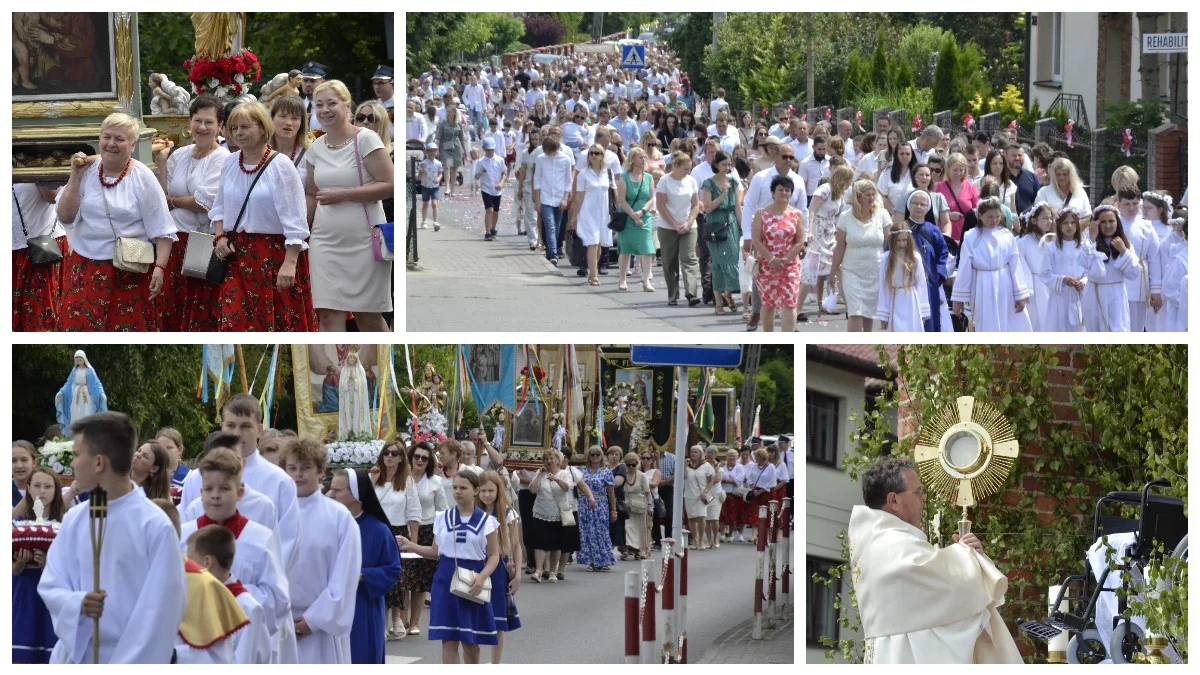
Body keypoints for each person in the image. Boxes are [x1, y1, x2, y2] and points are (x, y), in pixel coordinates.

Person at [37, 412, 187, 663]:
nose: (72, 464)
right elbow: (52, 584)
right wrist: (78, 604)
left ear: (98, 463)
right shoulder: (76, 519)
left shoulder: (154, 525)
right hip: (77, 656)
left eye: (77, 455)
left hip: (132, 658)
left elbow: (163, 611)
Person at [847, 457, 1022, 663]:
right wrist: (968, 556)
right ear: (893, 500)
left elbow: (930, 605)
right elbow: (953, 584)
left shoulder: (874, 540)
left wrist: (967, 555)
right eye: (918, 492)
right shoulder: (890, 544)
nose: (923, 499)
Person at [56, 113, 174, 331]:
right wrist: (74, 176)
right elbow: (65, 216)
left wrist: (159, 268)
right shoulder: (87, 171)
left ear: (132, 145)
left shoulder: (142, 176)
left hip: (128, 270)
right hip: (86, 269)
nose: (111, 144)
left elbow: (163, 229)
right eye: (106, 137)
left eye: (119, 139)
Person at [179, 445, 292, 664]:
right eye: (208, 489)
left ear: (239, 492)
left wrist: (230, 595)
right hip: (193, 646)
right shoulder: (184, 537)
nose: (215, 496)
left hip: (245, 641)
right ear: (200, 492)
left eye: (224, 489)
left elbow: (278, 599)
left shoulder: (261, 539)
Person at [211, 103, 314, 332]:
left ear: (262, 128)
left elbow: (296, 219)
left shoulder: (281, 165)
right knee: (233, 323)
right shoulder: (229, 161)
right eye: (234, 127)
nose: (238, 132)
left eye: (245, 127)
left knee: (276, 325)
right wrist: (219, 237)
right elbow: (219, 207)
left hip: (274, 255)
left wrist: (290, 262)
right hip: (236, 254)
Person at [304, 80, 393, 332]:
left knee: (368, 318)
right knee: (329, 316)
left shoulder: (366, 139)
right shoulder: (316, 147)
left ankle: (380, 366)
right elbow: (312, 194)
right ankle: (334, 369)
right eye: (319, 105)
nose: (325, 110)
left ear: (346, 105)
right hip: (325, 242)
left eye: (331, 103)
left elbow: (390, 184)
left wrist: (345, 194)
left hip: (364, 241)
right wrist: (302, 232)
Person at [397, 471, 501, 664]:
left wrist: (482, 577)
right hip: (445, 579)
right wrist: (411, 546)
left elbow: (494, 555)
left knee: (471, 642)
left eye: (463, 488)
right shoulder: (442, 517)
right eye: (455, 487)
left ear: (475, 490)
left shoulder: (487, 522)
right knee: (449, 640)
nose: (458, 492)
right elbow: (436, 551)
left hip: (473, 579)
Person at [281, 438, 362, 663]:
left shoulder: (339, 517)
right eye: (292, 468)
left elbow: (345, 576)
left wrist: (313, 621)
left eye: (306, 467)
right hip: (279, 623)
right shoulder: (274, 513)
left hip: (320, 628)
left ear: (320, 471)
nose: (298, 474)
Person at [327, 469, 402, 664]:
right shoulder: (327, 523)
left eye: (337, 490)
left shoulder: (378, 529)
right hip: (326, 605)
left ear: (355, 494)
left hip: (362, 605)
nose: (331, 495)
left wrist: (361, 576)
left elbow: (393, 569)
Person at [186, 526, 273, 663]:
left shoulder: (247, 608)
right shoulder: (196, 599)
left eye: (190, 560)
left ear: (207, 562)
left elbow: (245, 661)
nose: (186, 567)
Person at [951, 198, 1033, 332]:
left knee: (1007, 320)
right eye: (989, 217)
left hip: (1004, 283)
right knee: (984, 320)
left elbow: (1015, 265)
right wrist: (958, 300)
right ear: (980, 216)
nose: (994, 220)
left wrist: (1020, 295)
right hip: (981, 284)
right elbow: (964, 268)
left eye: (997, 216)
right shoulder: (971, 236)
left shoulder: (1006, 235)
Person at [371, 440, 420, 640]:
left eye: (394, 454)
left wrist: (414, 544)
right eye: (386, 453)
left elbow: (414, 512)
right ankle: (381, 620)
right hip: (376, 530)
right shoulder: (373, 477)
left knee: (398, 577)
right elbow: (364, 504)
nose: (389, 457)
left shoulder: (407, 481)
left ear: (401, 459)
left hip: (398, 532)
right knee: (378, 575)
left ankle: (397, 618)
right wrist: (372, 481)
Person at [13, 466, 63, 663]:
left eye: (48, 486)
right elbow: (11, 569)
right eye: (37, 486)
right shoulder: (16, 524)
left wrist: (46, 565)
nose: (42, 491)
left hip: (52, 596)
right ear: (29, 488)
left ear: (56, 490)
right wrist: (19, 563)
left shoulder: (65, 523)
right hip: (23, 591)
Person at [399, 442, 447, 637]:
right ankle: (401, 618)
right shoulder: (400, 478)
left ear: (429, 462)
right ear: (410, 457)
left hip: (427, 531)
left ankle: (415, 622)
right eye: (417, 456)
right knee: (402, 578)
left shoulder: (435, 481)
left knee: (419, 581)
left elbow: (442, 510)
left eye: (424, 458)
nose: (419, 460)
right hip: (403, 530)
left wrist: (438, 535)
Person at [832, 180, 890, 332]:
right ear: (858, 197)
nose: (871, 198)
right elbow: (839, 247)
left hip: (875, 271)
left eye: (873, 194)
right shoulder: (845, 217)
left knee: (868, 314)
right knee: (855, 312)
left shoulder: (882, 215)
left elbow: (888, 246)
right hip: (852, 272)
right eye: (867, 195)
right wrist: (832, 273)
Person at [476, 470, 522, 663]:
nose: (487, 495)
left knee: (498, 621)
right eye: (483, 490)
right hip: (476, 565)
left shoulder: (507, 513)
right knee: (474, 618)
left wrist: (517, 574)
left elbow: (515, 545)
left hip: (499, 568)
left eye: (491, 491)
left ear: (498, 491)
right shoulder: (473, 512)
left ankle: (495, 664)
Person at [798, 165, 853, 322]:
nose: (850, 184)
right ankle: (798, 308)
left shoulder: (840, 195)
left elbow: (837, 217)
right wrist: (809, 231)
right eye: (848, 180)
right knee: (811, 270)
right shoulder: (825, 189)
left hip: (830, 232)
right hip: (817, 231)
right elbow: (812, 210)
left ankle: (849, 308)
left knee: (838, 268)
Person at [751, 175, 805, 332]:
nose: (784, 193)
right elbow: (756, 239)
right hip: (767, 266)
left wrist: (785, 260)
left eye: (788, 190)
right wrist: (771, 259)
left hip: (790, 266)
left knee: (789, 303)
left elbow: (799, 241)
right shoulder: (761, 214)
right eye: (780, 189)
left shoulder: (797, 215)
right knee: (768, 304)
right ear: (773, 192)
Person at [12, 182, 67, 331]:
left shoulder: (32, 158)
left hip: (39, 248)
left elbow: (52, 196)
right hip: (15, 249)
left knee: (39, 318)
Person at [1079, 205, 1141, 331]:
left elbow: (1134, 273)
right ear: (1096, 224)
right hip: (1095, 293)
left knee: (1117, 328)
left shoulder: (1124, 244)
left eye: (1111, 221)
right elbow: (1084, 262)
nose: (1107, 225)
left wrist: (1123, 251)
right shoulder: (1089, 243)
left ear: (1117, 222)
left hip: (1116, 295)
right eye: (1103, 222)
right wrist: (1092, 238)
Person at [700, 151, 745, 315]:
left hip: (731, 224)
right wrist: (723, 195)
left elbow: (737, 207)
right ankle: (718, 302)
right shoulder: (708, 183)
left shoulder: (733, 182)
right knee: (718, 263)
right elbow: (707, 207)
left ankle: (729, 292)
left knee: (734, 260)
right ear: (716, 165)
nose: (727, 167)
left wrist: (743, 229)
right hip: (716, 225)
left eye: (729, 164)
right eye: (724, 164)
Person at [654, 151, 702, 306]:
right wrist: (674, 225)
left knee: (689, 259)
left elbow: (695, 205)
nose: (687, 172)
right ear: (675, 166)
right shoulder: (664, 181)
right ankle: (673, 295)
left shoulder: (691, 181)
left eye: (689, 169)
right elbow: (661, 206)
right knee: (670, 261)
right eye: (685, 169)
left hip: (688, 225)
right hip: (668, 226)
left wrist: (688, 224)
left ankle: (691, 293)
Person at [1114, 189, 1163, 332]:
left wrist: (1155, 290)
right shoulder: (1113, 223)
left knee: (1136, 325)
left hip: (1138, 285)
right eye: (1127, 204)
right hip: (1116, 281)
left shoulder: (1146, 226)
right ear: (1118, 204)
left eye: (1135, 203)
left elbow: (1154, 260)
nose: (1131, 208)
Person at [569, 143, 614, 285]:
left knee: (599, 243)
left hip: (603, 213)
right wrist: (574, 216)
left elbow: (613, 192)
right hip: (588, 212)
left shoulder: (608, 172)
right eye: (591, 153)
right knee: (592, 243)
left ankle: (591, 270)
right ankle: (594, 275)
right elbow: (578, 197)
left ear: (602, 156)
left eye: (596, 153)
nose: (593, 156)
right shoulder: (583, 173)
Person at [615, 147, 657, 292]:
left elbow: (651, 197)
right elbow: (621, 199)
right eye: (640, 157)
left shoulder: (649, 177)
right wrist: (633, 215)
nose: (644, 160)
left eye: (645, 157)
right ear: (632, 160)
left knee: (646, 248)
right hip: (627, 217)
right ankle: (622, 279)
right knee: (625, 248)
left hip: (644, 217)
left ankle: (646, 281)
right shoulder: (624, 177)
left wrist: (643, 211)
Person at [1039, 208, 1088, 332]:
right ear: (1059, 225)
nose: (1069, 226)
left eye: (1072, 222)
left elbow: (1089, 271)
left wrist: (1083, 281)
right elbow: (1045, 274)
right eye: (1065, 223)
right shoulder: (1051, 248)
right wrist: (1063, 279)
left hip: (1079, 294)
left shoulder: (1084, 247)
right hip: (1059, 296)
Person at [877, 227, 931, 331]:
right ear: (893, 241)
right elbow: (884, 286)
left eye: (904, 240)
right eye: (898, 241)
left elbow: (921, 285)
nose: (902, 244)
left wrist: (923, 311)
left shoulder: (915, 257)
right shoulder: (885, 258)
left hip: (911, 301)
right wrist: (883, 315)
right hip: (895, 299)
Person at [533, 132, 574, 266]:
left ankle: (551, 252)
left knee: (556, 228)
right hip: (545, 198)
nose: (550, 154)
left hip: (559, 197)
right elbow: (537, 179)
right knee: (550, 226)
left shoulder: (565, 159)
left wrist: (565, 198)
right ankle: (554, 254)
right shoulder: (540, 158)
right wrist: (537, 200)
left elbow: (569, 181)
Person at [527, 451, 566, 583]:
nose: (549, 461)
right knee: (540, 542)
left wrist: (557, 479)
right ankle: (538, 570)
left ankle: (552, 572)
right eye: (546, 459)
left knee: (555, 544)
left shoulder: (564, 473)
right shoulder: (540, 473)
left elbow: (567, 488)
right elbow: (532, 490)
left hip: (558, 513)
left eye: (552, 458)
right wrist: (539, 475)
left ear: (558, 461)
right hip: (540, 512)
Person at [576, 446, 616, 571]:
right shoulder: (582, 470)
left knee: (601, 531)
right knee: (587, 532)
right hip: (584, 504)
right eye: (592, 455)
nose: (595, 457)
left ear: (601, 456)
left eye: (597, 455)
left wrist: (613, 510)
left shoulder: (606, 471)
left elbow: (611, 493)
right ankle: (592, 560)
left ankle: (603, 559)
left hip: (600, 505)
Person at [1017, 202, 1055, 331]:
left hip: (1051, 285)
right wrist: (1026, 290)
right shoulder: (1023, 243)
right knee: (1035, 321)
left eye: (1050, 218)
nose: (1049, 221)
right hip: (1033, 287)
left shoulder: (1053, 240)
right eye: (1044, 218)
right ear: (1034, 220)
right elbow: (1021, 267)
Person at [935, 153, 980, 241]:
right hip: (944, 235)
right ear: (948, 169)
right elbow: (932, 213)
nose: (958, 173)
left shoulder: (972, 188)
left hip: (966, 235)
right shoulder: (938, 187)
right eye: (955, 170)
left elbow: (978, 211)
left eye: (961, 170)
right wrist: (948, 216)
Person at [681, 445, 716, 551]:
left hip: (701, 496)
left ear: (701, 454)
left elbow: (711, 481)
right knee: (691, 518)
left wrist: (705, 491)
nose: (693, 454)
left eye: (696, 452)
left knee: (701, 517)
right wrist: (684, 466)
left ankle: (701, 540)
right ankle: (695, 540)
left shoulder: (706, 465)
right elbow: (681, 477)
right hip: (689, 495)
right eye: (692, 452)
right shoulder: (687, 465)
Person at [269, 95, 312, 171]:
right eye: (283, 116)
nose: (289, 123)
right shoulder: (259, 151)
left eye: (295, 118)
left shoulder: (310, 154)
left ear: (301, 123)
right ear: (272, 118)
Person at [436, 106, 470, 199]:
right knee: (447, 166)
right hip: (446, 147)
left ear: (454, 113)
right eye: (447, 112)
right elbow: (438, 137)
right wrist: (437, 149)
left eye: (450, 112)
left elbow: (461, 138)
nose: (448, 113)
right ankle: (447, 188)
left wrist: (465, 150)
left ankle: (452, 189)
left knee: (454, 168)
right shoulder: (443, 123)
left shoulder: (458, 123)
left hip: (456, 147)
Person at [622, 452, 651, 559]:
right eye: (628, 464)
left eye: (633, 464)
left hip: (639, 505)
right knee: (627, 527)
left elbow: (648, 492)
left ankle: (641, 550)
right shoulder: (623, 474)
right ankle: (629, 548)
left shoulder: (642, 476)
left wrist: (650, 505)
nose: (631, 467)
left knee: (641, 529)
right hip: (626, 505)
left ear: (637, 464)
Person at [741, 449, 776, 538]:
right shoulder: (754, 466)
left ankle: (767, 535)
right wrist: (753, 489)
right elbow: (749, 477)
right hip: (755, 492)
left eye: (756, 456)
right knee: (754, 513)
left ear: (761, 457)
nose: (754, 458)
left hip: (766, 493)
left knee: (767, 515)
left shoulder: (771, 467)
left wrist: (761, 491)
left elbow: (772, 481)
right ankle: (754, 535)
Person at [718, 449, 744, 542]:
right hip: (723, 493)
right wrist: (729, 481)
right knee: (722, 515)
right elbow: (717, 478)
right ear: (726, 457)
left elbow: (739, 481)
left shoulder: (740, 467)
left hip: (734, 494)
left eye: (734, 456)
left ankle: (730, 534)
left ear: (737, 457)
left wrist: (725, 480)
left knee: (733, 515)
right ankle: (722, 534)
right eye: (730, 455)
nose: (731, 457)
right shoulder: (722, 465)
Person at [418, 143, 444, 231]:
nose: (432, 153)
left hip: (434, 186)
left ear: (437, 152)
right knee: (425, 204)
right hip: (425, 186)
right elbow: (419, 176)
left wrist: (438, 179)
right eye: (430, 151)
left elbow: (440, 173)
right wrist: (422, 172)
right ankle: (424, 221)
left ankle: (435, 221)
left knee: (434, 203)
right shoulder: (423, 163)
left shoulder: (438, 163)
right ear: (427, 152)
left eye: (434, 151)